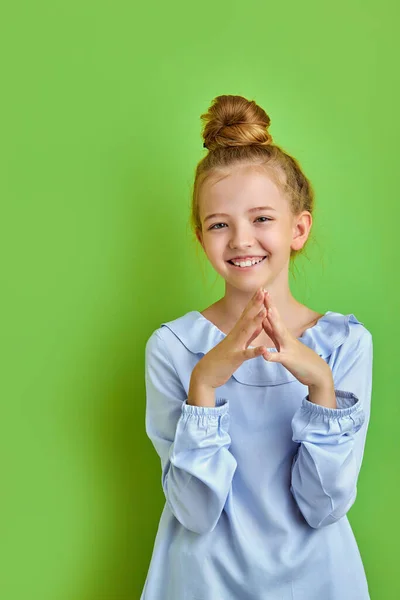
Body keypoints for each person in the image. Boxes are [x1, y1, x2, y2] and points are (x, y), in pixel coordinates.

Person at [140, 94, 373, 599]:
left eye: (262, 218)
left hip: (320, 581)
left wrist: (320, 384)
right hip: (202, 583)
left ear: (299, 228)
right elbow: (195, 513)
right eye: (219, 224)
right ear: (201, 238)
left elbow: (324, 505)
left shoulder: (345, 344)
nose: (241, 239)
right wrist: (204, 382)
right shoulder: (173, 348)